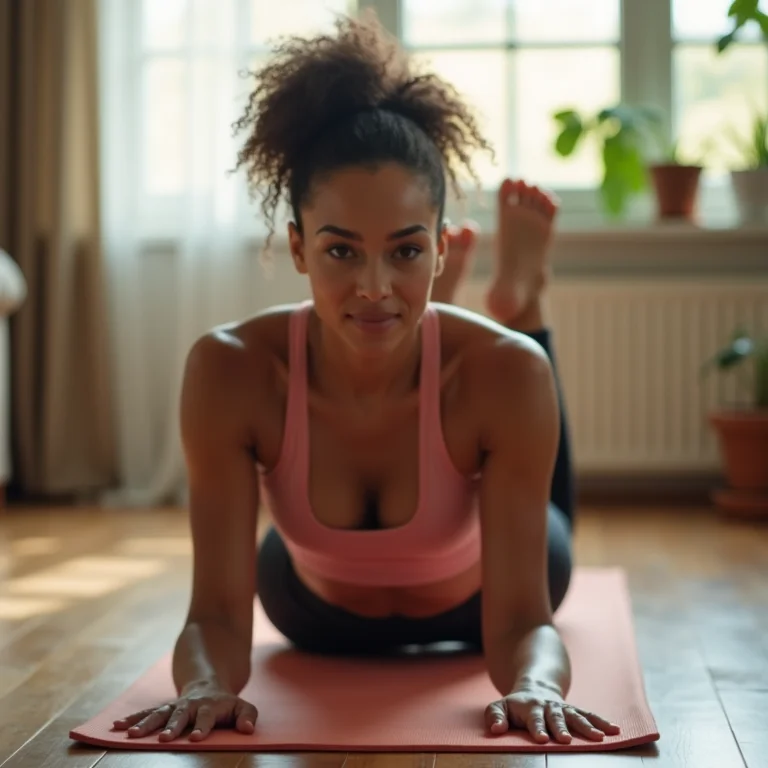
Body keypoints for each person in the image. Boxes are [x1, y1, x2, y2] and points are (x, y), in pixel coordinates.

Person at [113, 12, 621, 747]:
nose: (375, 286)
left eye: (406, 253)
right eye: (342, 252)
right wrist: (205, 684)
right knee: (479, 364)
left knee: (527, 412)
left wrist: (534, 685)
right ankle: (448, 327)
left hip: (476, 600)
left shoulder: (506, 374)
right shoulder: (229, 369)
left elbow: (521, 624)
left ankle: (522, 308)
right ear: (296, 247)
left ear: (442, 248)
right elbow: (217, 618)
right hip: (314, 613)